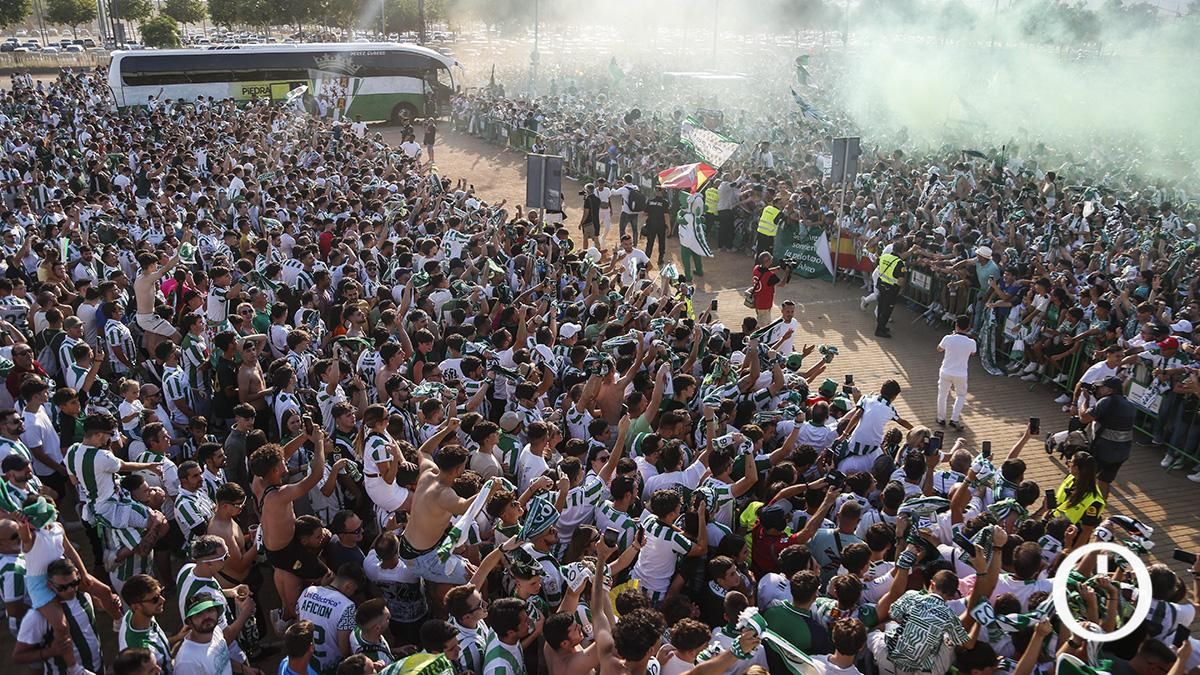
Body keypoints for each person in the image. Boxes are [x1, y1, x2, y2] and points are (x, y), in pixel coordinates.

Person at [1078, 375, 1135, 496]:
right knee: (1104, 481)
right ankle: (1099, 508)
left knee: (1086, 478)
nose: (1098, 390)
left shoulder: (1106, 401)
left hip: (1103, 450)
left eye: (1101, 387)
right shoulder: (1129, 404)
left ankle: (1079, 502)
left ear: (1109, 390)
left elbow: (1083, 418)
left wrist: (1085, 401)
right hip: (1122, 453)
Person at [935, 315, 977, 429]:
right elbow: (973, 353)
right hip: (961, 374)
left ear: (956, 325)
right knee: (961, 395)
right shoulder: (971, 342)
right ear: (968, 327)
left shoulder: (948, 338)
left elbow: (939, 348)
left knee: (943, 395)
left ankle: (941, 418)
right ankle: (954, 419)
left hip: (945, 371)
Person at [873, 241, 907, 338]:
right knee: (887, 310)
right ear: (901, 251)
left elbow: (878, 265)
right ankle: (880, 330)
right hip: (891, 289)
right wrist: (901, 290)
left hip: (881, 286)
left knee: (881, 307)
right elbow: (901, 280)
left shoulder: (884, 256)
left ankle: (881, 326)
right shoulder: (899, 263)